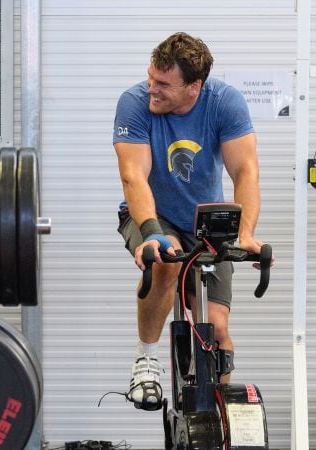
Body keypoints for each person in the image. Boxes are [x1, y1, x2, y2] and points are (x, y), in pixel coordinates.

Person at [112, 32, 268, 411]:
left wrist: (244, 233)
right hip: (153, 214)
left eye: (163, 84)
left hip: (206, 222)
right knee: (166, 262)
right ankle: (146, 362)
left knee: (218, 328)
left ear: (194, 86)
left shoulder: (224, 103)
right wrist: (150, 233)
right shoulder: (134, 103)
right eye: (151, 78)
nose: (152, 89)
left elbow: (245, 172)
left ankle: (216, 413)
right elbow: (134, 175)